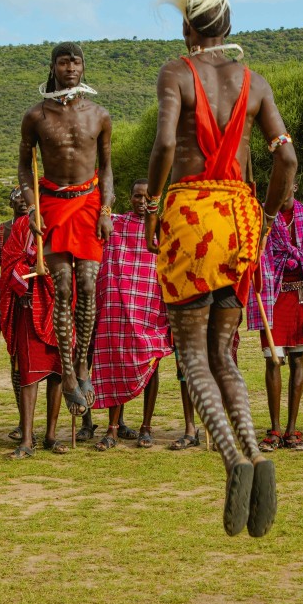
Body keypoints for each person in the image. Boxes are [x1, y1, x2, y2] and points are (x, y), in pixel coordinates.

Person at [145, 0, 297, 537]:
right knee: (226, 353)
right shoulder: (254, 83)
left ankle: (232, 460)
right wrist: (271, 211)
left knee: (191, 355)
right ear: (227, 22)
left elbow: (163, 144)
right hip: (239, 223)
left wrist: (153, 201)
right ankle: (256, 450)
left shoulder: (176, 73)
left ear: (189, 28)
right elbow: (286, 157)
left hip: (190, 220)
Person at [18, 42, 114, 417]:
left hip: (89, 202)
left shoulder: (100, 114)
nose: (70, 67)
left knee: (89, 286)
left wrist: (106, 209)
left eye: (76, 61)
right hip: (53, 204)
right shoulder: (36, 116)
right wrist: (31, 208)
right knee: (62, 289)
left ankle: (83, 362)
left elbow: (106, 167)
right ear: (53, 66)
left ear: (83, 67)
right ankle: (69, 375)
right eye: (63, 61)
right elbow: (25, 167)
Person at [78, 179, 173, 451]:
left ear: (156, 199)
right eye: (136, 196)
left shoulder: (163, 228)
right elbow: (92, 214)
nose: (142, 202)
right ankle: (112, 428)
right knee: (115, 363)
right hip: (117, 309)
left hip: (151, 308)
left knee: (152, 364)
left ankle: (146, 426)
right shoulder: (116, 224)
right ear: (129, 198)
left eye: (147, 197)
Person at [247, 182, 303, 451]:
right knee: (273, 361)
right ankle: (275, 429)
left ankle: (292, 429)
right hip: (272, 295)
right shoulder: (263, 221)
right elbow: (255, 258)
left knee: (297, 360)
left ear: (293, 184)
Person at [0, 214, 67, 458]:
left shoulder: (63, 220)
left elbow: (74, 262)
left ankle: (51, 435)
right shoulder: (22, 226)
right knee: (29, 375)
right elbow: (8, 263)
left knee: (57, 373)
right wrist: (28, 270)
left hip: (58, 307)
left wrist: (53, 269)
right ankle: (27, 439)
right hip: (28, 308)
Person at [0, 186, 28, 442]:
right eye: (18, 197)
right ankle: (23, 421)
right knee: (16, 362)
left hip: (38, 302)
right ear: (10, 202)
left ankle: (47, 426)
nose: (23, 202)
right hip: (11, 303)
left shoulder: (41, 227)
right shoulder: (0, 231)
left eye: (28, 198)